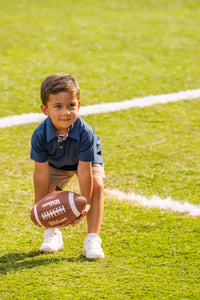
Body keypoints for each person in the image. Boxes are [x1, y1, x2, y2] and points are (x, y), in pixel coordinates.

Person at [30, 72, 105, 260]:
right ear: (45, 109)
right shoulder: (39, 135)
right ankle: (52, 233)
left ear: (78, 105)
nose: (66, 112)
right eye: (58, 106)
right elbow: (40, 172)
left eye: (71, 105)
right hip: (57, 163)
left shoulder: (86, 133)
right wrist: (39, 206)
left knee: (97, 185)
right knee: (49, 190)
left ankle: (92, 239)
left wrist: (86, 201)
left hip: (84, 161)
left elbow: (84, 169)